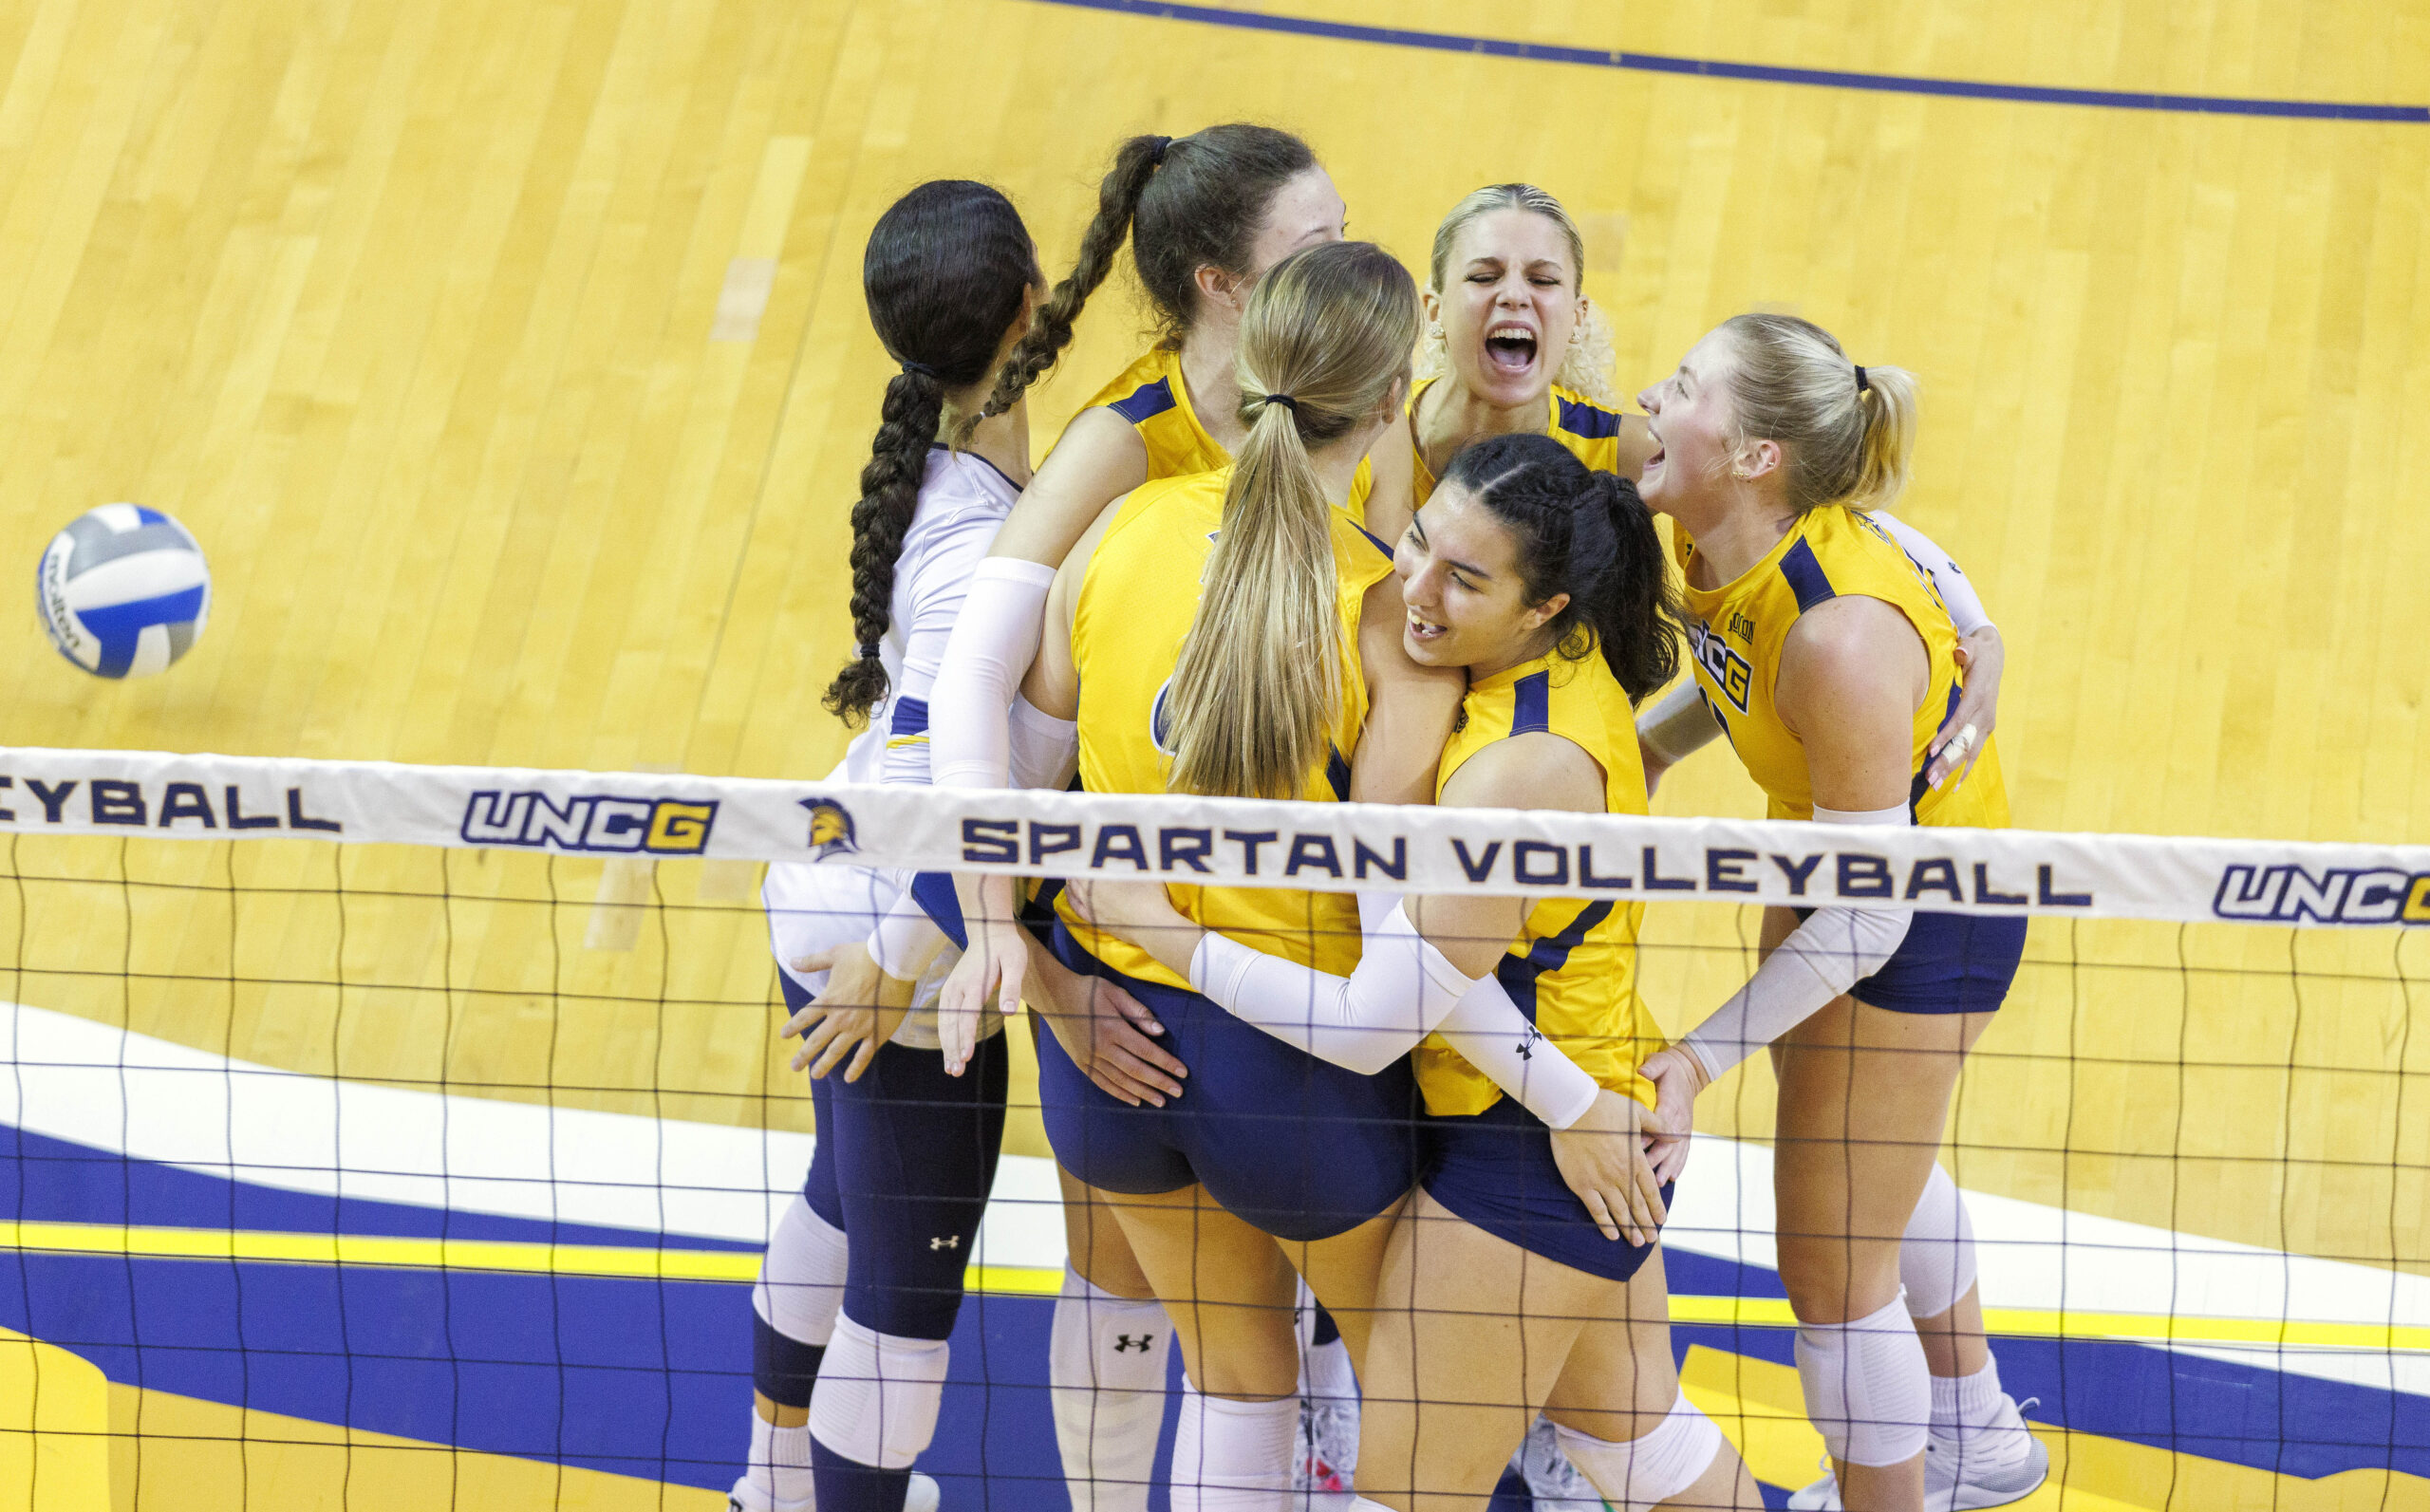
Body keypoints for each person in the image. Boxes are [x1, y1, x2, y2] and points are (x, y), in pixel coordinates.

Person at [1074, 433, 1767, 1510]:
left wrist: (1162, 935)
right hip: (1565, 1103)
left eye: (1464, 577)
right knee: (1637, 1441)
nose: (1416, 588)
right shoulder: (1532, 672)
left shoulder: (1515, 772)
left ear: (1546, 609)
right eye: (1416, 544)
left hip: (1530, 1151)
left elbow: (1367, 1027)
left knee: (1406, 1487)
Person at [911, 122, 1394, 1506]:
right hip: (1136, 948)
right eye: (1316, 246)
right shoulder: (1122, 457)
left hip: (1231, 968)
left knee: (1256, 1351)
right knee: (1150, 1285)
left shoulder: (1362, 416)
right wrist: (1026, 953)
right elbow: (970, 705)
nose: (1350, 258)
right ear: (1223, 286)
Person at [976, 239, 1486, 1511]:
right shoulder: (1395, 623)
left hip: (1113, 1054)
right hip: (1300, 1073)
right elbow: (1416, 908)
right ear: (1387, 406)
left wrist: (1043, 972)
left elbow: (1016, 804)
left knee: (1235, 1379)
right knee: (1425, 1403)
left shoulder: (1114, 537)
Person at [738, 177, 1157, 1512]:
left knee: (841, 1206)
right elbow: (941, 797)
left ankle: (772, 1485)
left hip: (831, 902)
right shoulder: (979, 548)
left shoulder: (941, 475)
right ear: (1033, 308)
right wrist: (903, 964)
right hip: (893, 943)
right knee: (903, 1304)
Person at [1632, 314, 2046, 1512]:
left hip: (1924, 909)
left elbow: (1871, 916)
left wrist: (1694, 1061)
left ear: (1758, 456)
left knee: (1828, 1261)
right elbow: (1868, 579)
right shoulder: (1717, 524)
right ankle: (1977, 1438)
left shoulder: (1840, 641)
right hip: (1837, 857)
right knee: (1869, 1167)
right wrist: (1655, 746)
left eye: (1687, 385)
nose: (1656, 395)